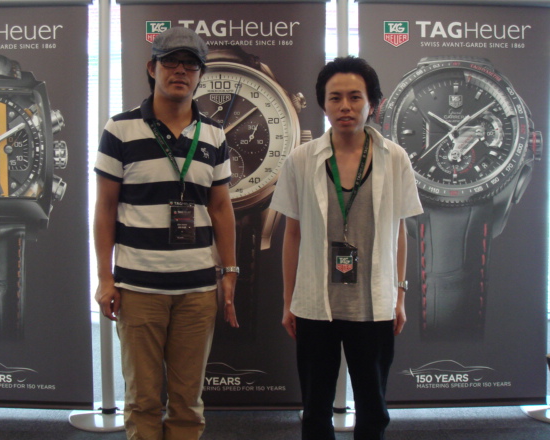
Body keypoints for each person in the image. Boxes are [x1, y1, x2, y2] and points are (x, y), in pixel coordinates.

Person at [93, 27, 239, 440]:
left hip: (197, 291)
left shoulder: (214, 135)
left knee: (188, 402)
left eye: (191, 64)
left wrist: (229, 271)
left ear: (200, 75)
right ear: (151, 68)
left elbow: (220, 208)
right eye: (170, 61)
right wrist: (105, 277)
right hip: (138, 289)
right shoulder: (120, 130)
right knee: (142, 400)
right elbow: (104, 208)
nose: (180, 71)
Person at [270, 56, 423, 440]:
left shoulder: (394, 158)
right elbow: (292, 234)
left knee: (373, 409)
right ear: (323, 103)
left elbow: (399, 231)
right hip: (314, 305)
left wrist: (399, 296)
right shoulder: (301, 159)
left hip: (373, 304)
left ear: (373, 103)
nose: (345, 107)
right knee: (315, 411)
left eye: (355, 97)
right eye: (335, 98)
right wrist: (289, 301)